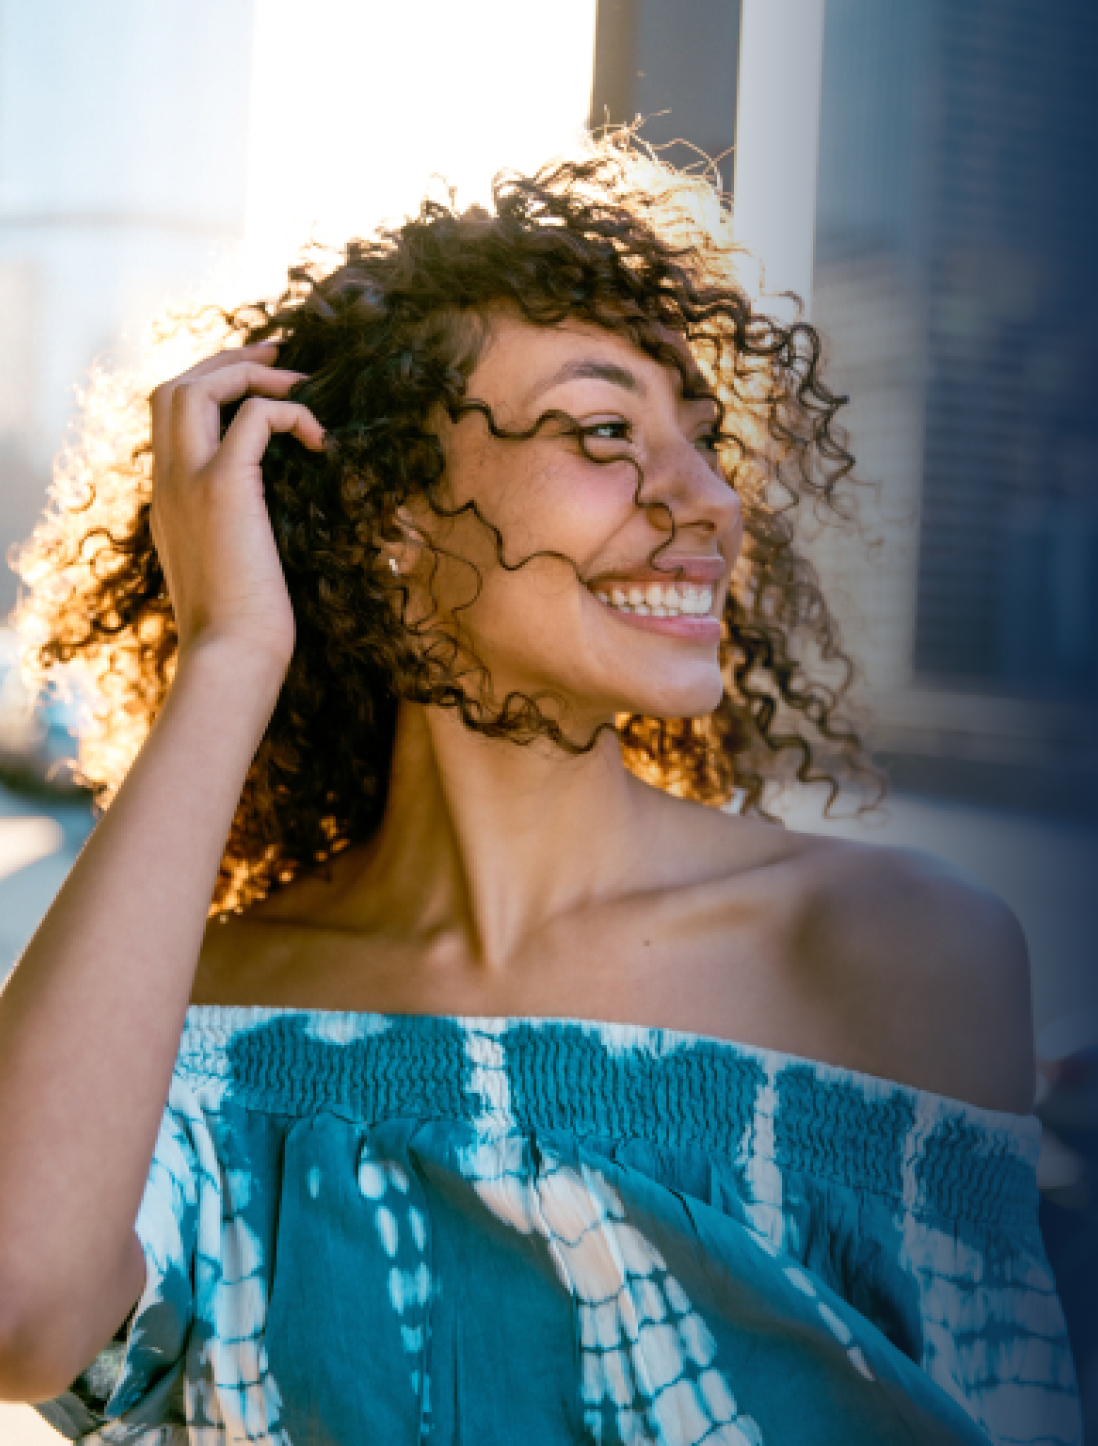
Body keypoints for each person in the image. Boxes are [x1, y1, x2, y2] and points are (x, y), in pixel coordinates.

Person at [0, 139, 1081, 1446]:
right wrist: (230, 652)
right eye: (606, 431)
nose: (705, 501)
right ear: (390, 519)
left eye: (703, 439)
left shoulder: (892, 951)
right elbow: (24, 1311)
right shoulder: (191, 1008)